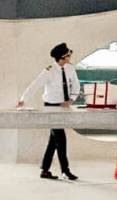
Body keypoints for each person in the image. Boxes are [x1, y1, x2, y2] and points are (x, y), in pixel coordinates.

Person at [17, 43, 81, 180]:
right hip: (51, 107)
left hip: (64, 107)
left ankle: (45, 170)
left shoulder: (70, 69)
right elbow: (35, 85)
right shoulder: (49, 70)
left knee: (54, 140)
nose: (70, 57)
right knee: (61, 139)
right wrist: (23, 100)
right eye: (69, 55)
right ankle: (66, 170)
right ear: (62, 57)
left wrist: (71, 99)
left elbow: (76, 85)